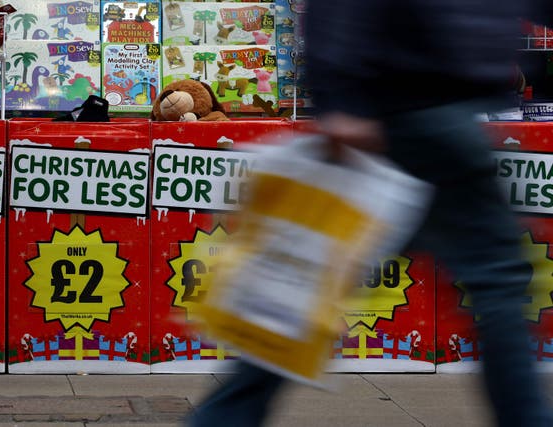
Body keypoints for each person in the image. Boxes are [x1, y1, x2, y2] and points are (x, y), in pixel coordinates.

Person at [187, 1, 553, 426]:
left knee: (309, 281)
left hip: (410, 114)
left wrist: (337, 94)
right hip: (421, 117)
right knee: (497, 285)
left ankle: (225, 415)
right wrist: (338, 96)